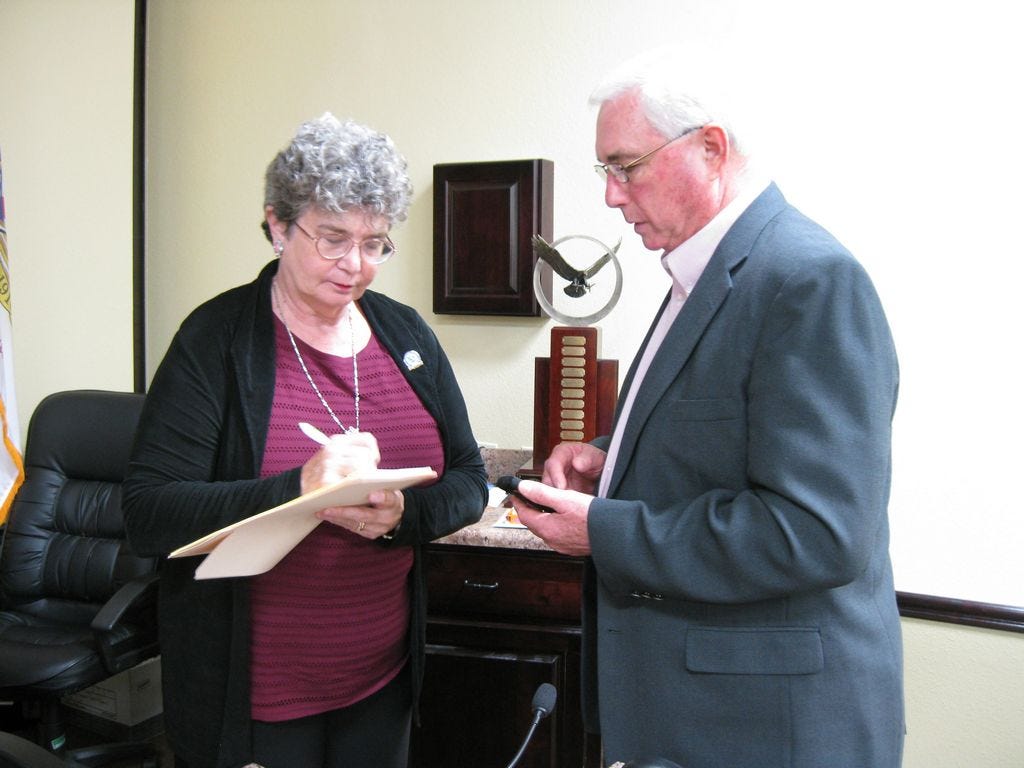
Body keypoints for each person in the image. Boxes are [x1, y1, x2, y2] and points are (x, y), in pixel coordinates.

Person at [512, 51, 904, 768]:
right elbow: (726, 435)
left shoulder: (807, 279)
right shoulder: (706, 272)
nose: (611, 197)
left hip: (767, 729)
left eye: (625, 166)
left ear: (711, 149)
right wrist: (615, 457)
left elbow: (817, 531)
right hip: (695, 715)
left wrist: (606, 529)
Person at [123, 113, 487, 768]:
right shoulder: (216, 341)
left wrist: (403, 516)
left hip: (381, 682)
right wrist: (297, 488)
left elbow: (467, 478)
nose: (355, 266)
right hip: (258, 700)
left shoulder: (405, 336)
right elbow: (149, 515)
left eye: (375, 243)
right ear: (277, 225)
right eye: (332, 238)